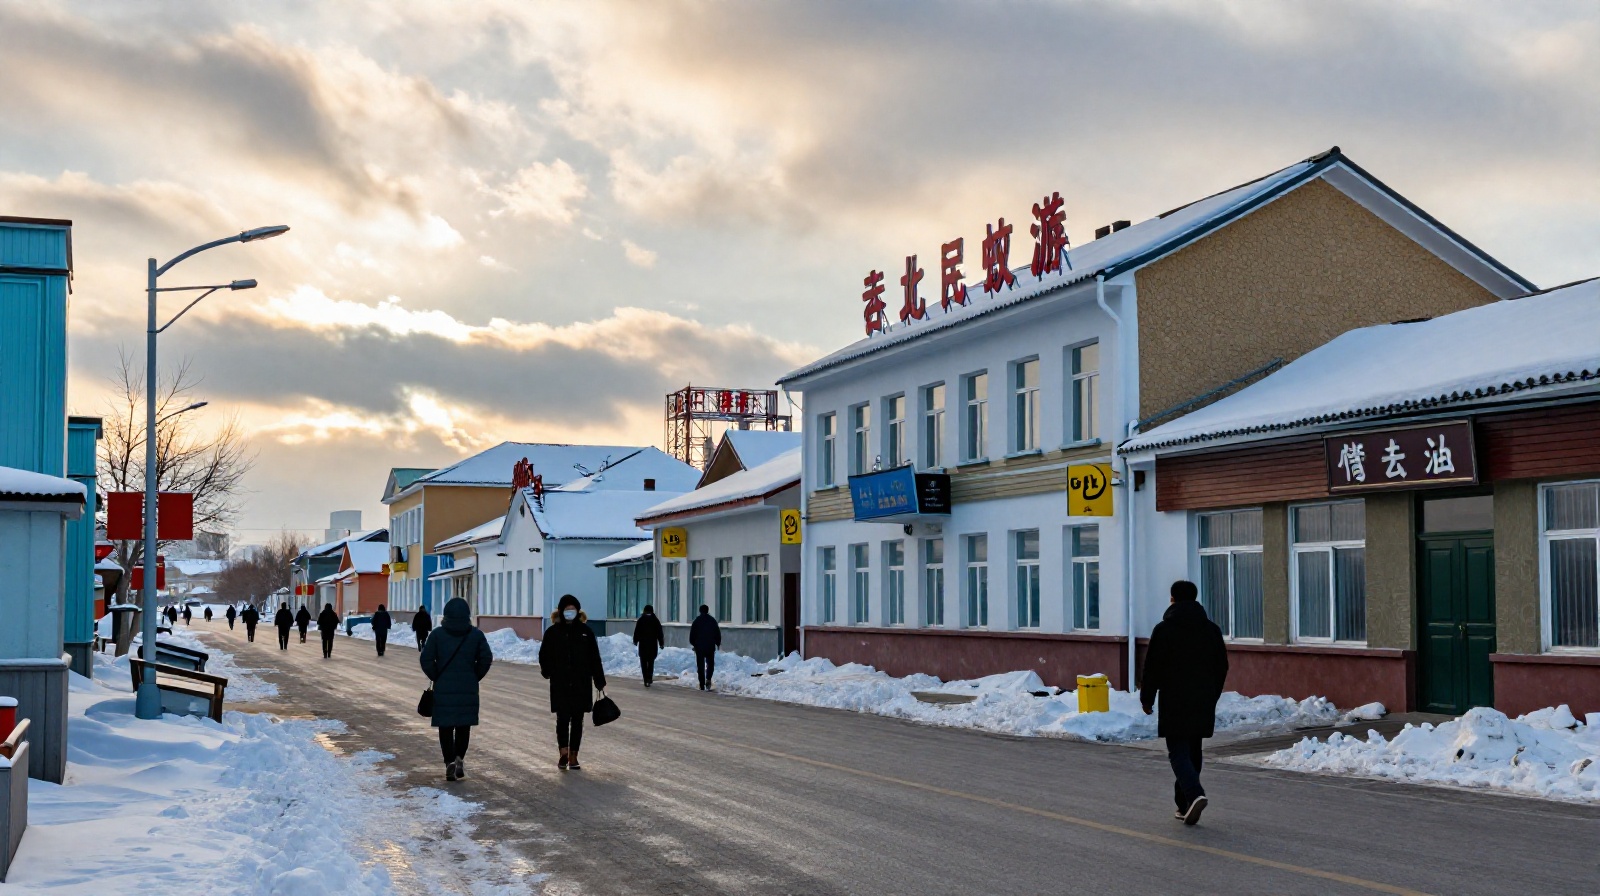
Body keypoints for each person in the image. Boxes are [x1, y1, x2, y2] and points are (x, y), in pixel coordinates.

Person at [1140, 580, 1229, 827]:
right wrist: (1213, 694)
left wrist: (1147, 698)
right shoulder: (1211, 629)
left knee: (1178, 752)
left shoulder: (1164, 629)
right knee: (1193, 750)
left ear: (1172, 599)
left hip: (1174, 698)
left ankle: (1194, 794)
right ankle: (1185, 805)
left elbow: (1152, 667)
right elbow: (1222, 665)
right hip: (1202, 699)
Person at [420, 596, 493, 782]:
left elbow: (426, 659)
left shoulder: (437, 635)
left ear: (446, 615)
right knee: (463, 726)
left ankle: (449, 762)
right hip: (467, 688)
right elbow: (486, 658)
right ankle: (460, 757)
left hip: (443, 688)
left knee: (445, 727)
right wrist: (474, 675)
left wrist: (436, 675)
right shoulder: (475, 635)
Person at [538, 595, 605, 770]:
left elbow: (594, 657)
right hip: (560, 683)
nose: (570, 612)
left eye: (572, 609)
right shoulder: (552, 633)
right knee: (562, 719)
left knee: (577, 720)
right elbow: (544, 655)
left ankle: (574, 756)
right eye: (567, 609)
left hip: (581, 683)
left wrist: (599, 679)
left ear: (577, 610)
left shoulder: (585, 632)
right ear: (561, 611)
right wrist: (548, 671)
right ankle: (563, 753)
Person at [689, 604, 721, 691]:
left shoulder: (697, 621)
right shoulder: (712, 621)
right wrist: (717, 642)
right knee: (710, 663)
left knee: (700, 665)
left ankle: (701, 683)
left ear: (700, 611)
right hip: (710, 646)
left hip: (699, 647)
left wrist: (694, 644)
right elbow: (717, 632)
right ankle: (708, 678)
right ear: (707, 610)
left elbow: (692, 634)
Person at [633, 604, 664, 687]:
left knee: (643, 662)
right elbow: (659, 633)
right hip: (652, 645)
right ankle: (649, 678)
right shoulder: (655, 620)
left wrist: (635, 640)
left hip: (643, 645)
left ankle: (645, 678)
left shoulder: (641, 620)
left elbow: (637, 631)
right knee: (651, 662)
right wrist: (661, 642)